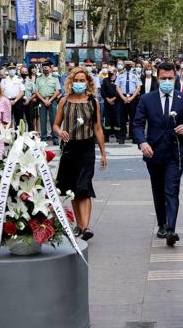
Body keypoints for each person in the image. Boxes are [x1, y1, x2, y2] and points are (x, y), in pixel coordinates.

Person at [133, 62, 183, 247]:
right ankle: (161, 223)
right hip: (153, 152)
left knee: (172, 189)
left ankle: (171, 229)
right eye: (163, 78)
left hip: (175, 153)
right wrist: (142, 142)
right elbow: (137, 124)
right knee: (158, 189)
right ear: (157, 78)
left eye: (170, 78)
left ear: (175, 78)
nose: (167, 81)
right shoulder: (147, 99)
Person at [53, 67, 107, 241]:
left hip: (87, 147)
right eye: (76, 80)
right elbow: (56, 124)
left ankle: (86, 226)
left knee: (84, 186)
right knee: (72, 189)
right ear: (71, 82)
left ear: (88, 82)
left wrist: (103, 153)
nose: (79, 83)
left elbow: (98, 128)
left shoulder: (93, 102)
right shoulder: (64, 101)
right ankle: (80, 225)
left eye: (82, 80)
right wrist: (60, 132)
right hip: (69, 148)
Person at [116, 60, 142, 144]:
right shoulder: (120, 76)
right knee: (122, 118)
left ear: (131, 66)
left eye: (129, 65)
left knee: (133, 118)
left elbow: (138, 88)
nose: (128, 67)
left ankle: (133, 136)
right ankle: (122, 137)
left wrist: (131, 98)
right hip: (122, 97)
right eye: (126, 65)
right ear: (124, 66)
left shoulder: (135, 76)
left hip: (133, 98)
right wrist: (123, 97)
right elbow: (117, 87)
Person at [35, 62, 60, 145]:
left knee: (54, 120)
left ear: (50, 68)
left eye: (47, 67)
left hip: (52, 101)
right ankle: (43, 138)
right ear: (42, 69)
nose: (45, 68)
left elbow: (57, 91)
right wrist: (43, 100)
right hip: (42, 101)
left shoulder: (54, 78)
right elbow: (36, 91)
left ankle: (55, 138)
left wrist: (50, 100)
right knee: (42, 120)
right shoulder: (38, 79)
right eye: (44, 67)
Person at [101, 67, 121, 142]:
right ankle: (106, 137)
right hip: (107, 103)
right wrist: (107, 99)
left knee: (117, 119)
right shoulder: (105, 80)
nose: (110, 73)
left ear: (115, 72)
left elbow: (120, 91)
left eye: (111, 71)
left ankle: (118, 136)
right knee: (107, 120)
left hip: (117, 103)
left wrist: (114, 98)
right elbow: (103, 91)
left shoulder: (118, 80)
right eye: (109, 71)